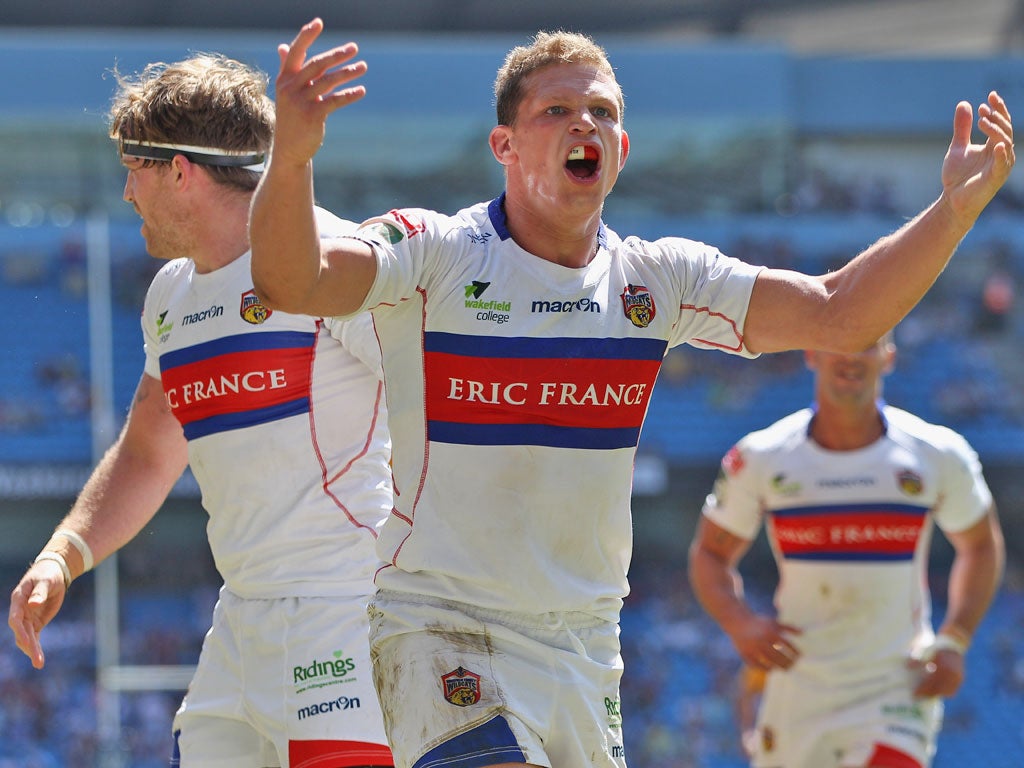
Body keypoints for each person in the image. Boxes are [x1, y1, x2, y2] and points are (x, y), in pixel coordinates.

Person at [248, 18, 1014, 768]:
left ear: (621, 150)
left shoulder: (659, 279)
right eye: (557, 110)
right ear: (504, 146)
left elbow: (839, 314)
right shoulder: (434, 251)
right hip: (442, 627)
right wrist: (292, 157)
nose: (584, 122)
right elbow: (292, 279)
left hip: (585, 641)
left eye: (603, 113)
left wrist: (953, 213)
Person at [7, 54, 394, 768]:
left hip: (345, 611)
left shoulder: (334, 259)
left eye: (135, 169)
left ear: (181, 170)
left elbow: (438, 406)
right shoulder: (171, 295)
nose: (127, 192)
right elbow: (151, 450)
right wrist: (63, 554)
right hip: (241, 620)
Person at [688, 333, 1005, 768]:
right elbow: (710, 553)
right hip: (798, 687)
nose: (851, 357)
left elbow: (981, 544)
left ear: (889, 357)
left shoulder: (938, 453)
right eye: (838, 339)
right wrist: (739, 623)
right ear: (811, 352)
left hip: (896, 684)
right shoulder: (763, 456)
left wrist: (955, 638)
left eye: (868, 343)